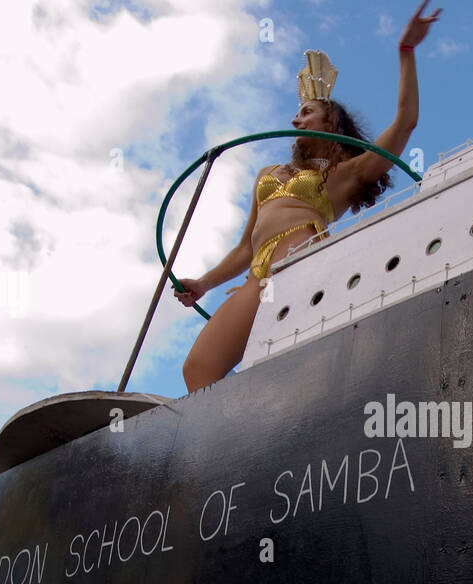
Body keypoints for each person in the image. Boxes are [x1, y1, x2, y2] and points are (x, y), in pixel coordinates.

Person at [176, 2, 442, 394]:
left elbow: (405, 122)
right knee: (197, 369)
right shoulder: (268, 175)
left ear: (329, 121)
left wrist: (406, 53)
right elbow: (245, 248)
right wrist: (203, 283)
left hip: (302, 259)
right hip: (259, 270)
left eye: (305, 112)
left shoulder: (342, 175)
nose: (294, 120)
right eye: (296, 113)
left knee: (289, 372)